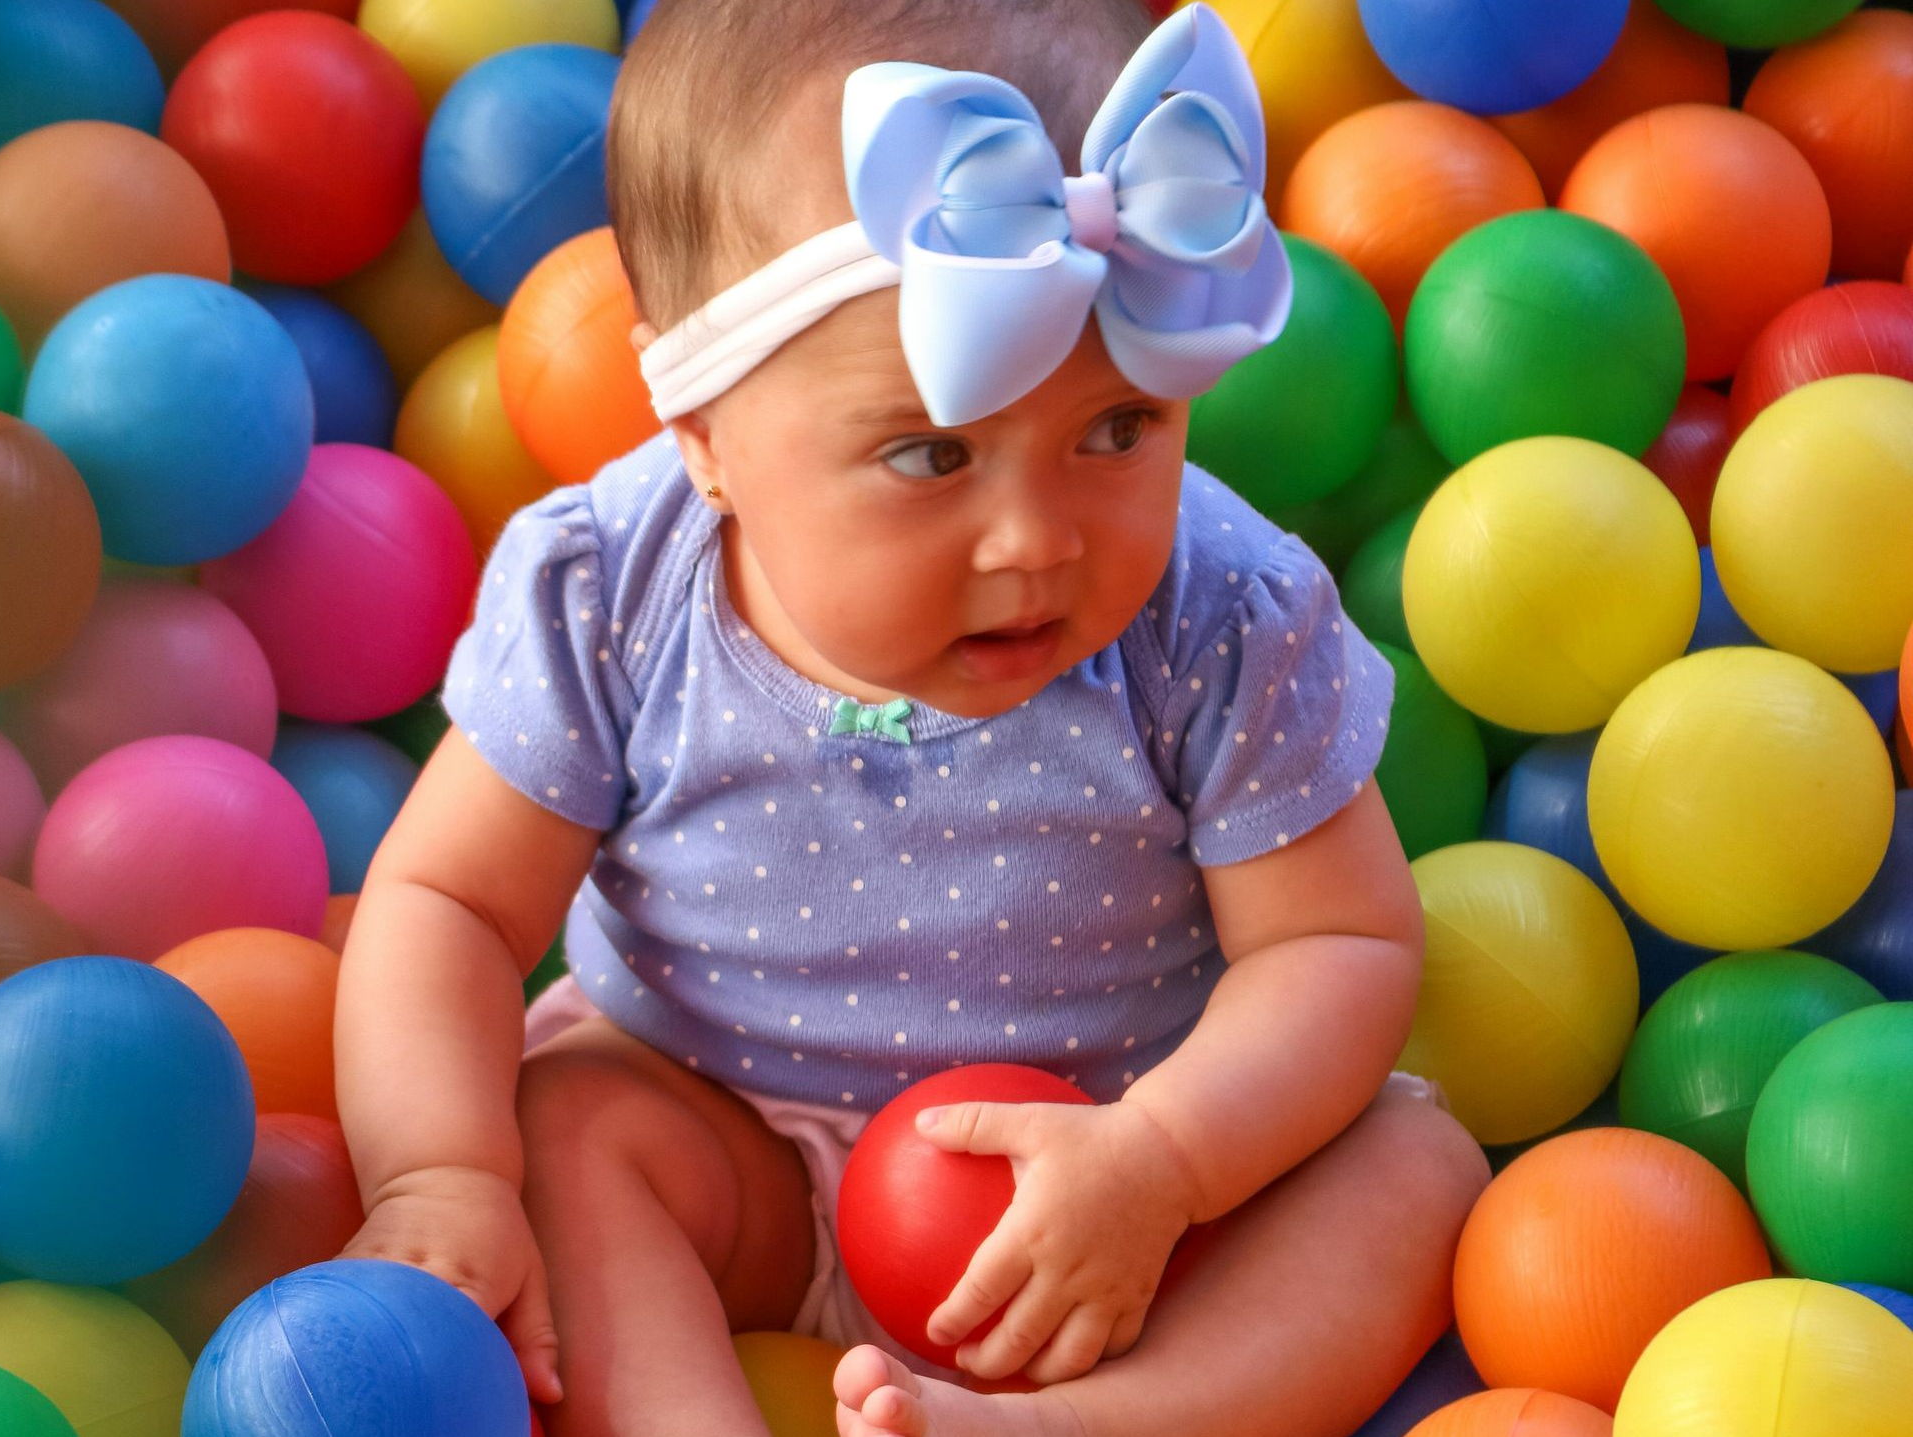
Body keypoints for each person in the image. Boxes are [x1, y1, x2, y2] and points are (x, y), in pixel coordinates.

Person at [334, 4, 1490, 1434]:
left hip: (1116, 1194)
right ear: (702, 436)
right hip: (725, 1135)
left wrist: (1168, 1162)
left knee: (1411, 1174)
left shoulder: (1219, 612)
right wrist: (438, 1178)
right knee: (561, 1125)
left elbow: (1337, 943)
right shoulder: (610, 592)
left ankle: (1073, 1428)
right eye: (931, 453)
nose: (1036, 541)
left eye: (1116, 430)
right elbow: (446, 900)